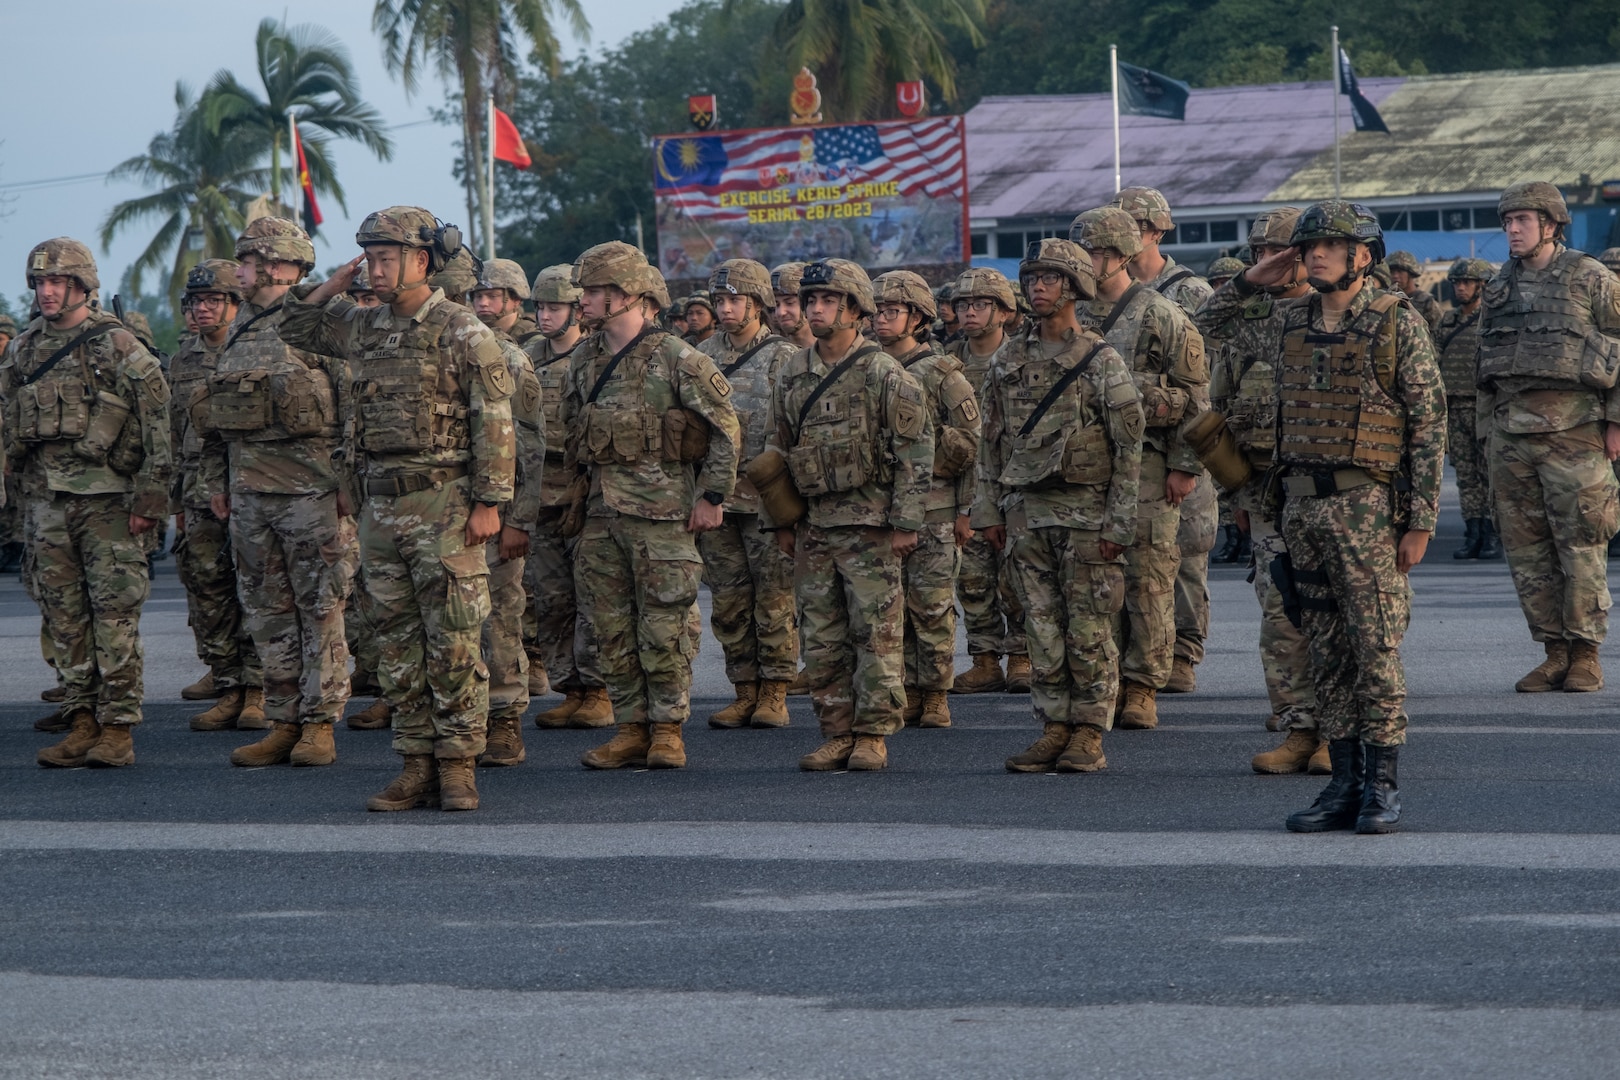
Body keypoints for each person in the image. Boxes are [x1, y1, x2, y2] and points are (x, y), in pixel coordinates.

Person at [279, 206, 515, 812]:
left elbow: (494, 421)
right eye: (370, 257)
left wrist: (490, 503)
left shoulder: (464, 331)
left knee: (455, 639)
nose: (375, 270)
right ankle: (415, 764)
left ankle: (459, 764)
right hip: (380, 508)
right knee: (396, 644)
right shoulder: (363, 327)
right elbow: (296, 329)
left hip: (445, 504)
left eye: (386, 257)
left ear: (422, 261)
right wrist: (334, 282)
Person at [1243, 200, 1444, 834]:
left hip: (1366, 508)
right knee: (1324, 652)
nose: (1315, 255)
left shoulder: (1395, 322)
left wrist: (1420, 521)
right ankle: (1343, 785)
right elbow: (1208, 322)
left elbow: (1427, 425)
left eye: (1330, 245)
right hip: (1301, 505)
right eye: (1309, 247)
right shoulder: (1285, 322)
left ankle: (1382, 786)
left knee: (1373, 647)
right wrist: (1255, 277)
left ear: (1364, 256)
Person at [559, 242, 741, 771]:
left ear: (625, 296)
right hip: (600, 515)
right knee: (610, 627)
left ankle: (667, 730)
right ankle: (630, 728)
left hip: (664, 515)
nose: (584, 301)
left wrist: (712, 496)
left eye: (593, 292)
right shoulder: (584, 358)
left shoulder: (678, 357)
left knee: (663, 625)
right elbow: (573, 434)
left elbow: (726, 430)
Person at [976, 239, 1144, 773]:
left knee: (1089, 627)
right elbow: (990, 443)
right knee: (1040, 627)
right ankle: (1053, 726)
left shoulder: (1101, 360)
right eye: (1031, 280)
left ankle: (1089, 732)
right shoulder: (1009, 358)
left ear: (1073, 287)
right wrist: (989, 511)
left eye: (1049, 279)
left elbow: (1128, 449)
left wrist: (1119, 522)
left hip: (1088, 516)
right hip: (1028, 515)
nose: (1037, 288)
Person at [5, 238, 171, 768]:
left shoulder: (116, 345)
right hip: (47, 505)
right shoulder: (24, 347)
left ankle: (117, 728)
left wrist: (151, 500)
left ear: (82, 286)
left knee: (114, 616)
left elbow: (158, 426)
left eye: (57, 282)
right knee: (65, 618)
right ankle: (81, 719)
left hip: (109, 505)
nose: (47, 291)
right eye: (40, 283)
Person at [197, 218, 354, 769]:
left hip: (311, 493)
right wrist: (219, 483)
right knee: (266, 611)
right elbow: (217, 418)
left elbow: (356, 408)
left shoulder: (324, 324)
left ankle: (319, 724)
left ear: (278, 266)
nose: (237, 270)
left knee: (320, 609)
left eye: (246, 261)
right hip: (251, 495)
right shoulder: (239, 332)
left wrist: (347, 489)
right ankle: (284, 719)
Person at [766, 259, 932, 771]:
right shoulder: (793, 371)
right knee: (820, 636)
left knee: (876, 633)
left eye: (826, 301)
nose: (813, 309)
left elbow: (915, 450)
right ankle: (836, 731)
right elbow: (778, 450)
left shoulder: (883, 372)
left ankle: (873, 733)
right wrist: (782, 523)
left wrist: (906, 523)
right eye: (809, 301)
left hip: (871, 525)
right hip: (815, 525)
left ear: (855, 310)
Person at [1195, 207, 1327, 774]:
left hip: (1333, 490)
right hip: (1266, 491)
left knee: (1338, 614)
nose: (1265, 263)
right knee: (1279, 615)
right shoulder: (1250, 316)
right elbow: (1203, 339)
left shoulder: (1348, 310)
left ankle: (1338, 733)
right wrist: (1234, 501)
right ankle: (1299, 727)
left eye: (1277, 253)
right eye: (1257, 255)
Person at [1478, 181, 1620, 694]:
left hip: (1575, 433)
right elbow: (1484, 366)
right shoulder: (1497, 286)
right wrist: (1486, 433)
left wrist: (1616, 424)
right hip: (1510, 436)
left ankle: (1586, 654)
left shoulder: (1591, 278)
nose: (1512, 230)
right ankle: (1553, 651)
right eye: (1507, 221)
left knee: (1581, 545)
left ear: (1552, 224)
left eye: (1522, 220)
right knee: (1527, 553)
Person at [1071, 206, 1208, 730]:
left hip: (1151, 464)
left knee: (1149, 576)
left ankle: (1143, 684)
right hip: (1091, 467)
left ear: (1124, 254)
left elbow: (1197, 396)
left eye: (1100, 252)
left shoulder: (1162, 314)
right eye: (1085, 251)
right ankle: (1099, 681)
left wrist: (1185, 464)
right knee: (1093, 580)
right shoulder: (1073, 315)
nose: (1092, 261)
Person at [1111, 186, 1218, 695]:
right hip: (1127, 453)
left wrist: (1189, 458)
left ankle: (1183, 652)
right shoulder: (1098, 292)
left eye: (1134, 224)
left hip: (1184, 438)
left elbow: (1208, 377)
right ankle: (1135, 655)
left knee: (1187, 551)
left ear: (1155, 231)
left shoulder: (1191, 293)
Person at [871, 271, 980, 729]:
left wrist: (965, 511)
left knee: (931, 605)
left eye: (890, 312)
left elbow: (975, 444)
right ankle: (904, 690)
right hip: (881, 509)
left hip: (935, 509)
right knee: (886, 609)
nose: (880, 319)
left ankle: (935, 693)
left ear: (917, 318)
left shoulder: (941, 373)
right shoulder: (868, 368)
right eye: (876, 311)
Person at [695, 259, 801, 729]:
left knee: (774, 597)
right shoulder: (700, 354)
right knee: (730, 599)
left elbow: (794, 426)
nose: (726, 308)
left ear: (758, 304)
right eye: (719, 301)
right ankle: (743, 690)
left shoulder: (785, 357)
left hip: (765, 497)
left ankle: (775, 691)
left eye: (735, 300)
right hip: (717, 496)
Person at [166, 259, 266, 732]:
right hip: (197, 491)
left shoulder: (252, 349)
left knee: (256, 587)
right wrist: (176, 504)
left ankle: (259, 690)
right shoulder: (183, 359)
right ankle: (228, 684)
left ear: (235, 303)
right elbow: (173, 432)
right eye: (196, 301)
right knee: (208, 586)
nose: (203, 308)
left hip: (248, 483)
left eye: (213, 300)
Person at [464, 257, 548, 767]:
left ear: (517, 303)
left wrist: (519, 518)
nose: (483, 304)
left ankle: (504, 722)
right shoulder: (458, 349)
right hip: (456, 509)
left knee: (500, 619)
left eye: (494, 297)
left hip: (501, 513)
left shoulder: (514, 360)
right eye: (478, 296)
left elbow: (531, 445)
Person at [523, 264, 612, 729]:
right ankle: (569, 687)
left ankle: (598, 689)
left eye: (554, 307)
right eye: (539, 307)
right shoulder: (523, 356)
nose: (544, 315)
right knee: (550, 597)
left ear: (577, 310)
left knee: (591, 596)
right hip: (538, 493)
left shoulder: (596, 356)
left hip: (582, 490)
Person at [945, 267, 1030, 695]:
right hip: (965, 488)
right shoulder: (945, 363)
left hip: (1014, 483)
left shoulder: (1023, 357)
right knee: (973, 578)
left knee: (1018, 575)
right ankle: (983, 659)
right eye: (962, 305)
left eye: (981, 304)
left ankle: (1021, 656)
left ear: (1004, 311)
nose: (970, 312)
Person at [1434, 258, 1500, 560]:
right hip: (1454, 407)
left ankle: (1491, 535)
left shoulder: (1493, 318)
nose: (1460, 287)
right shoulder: (1446, 321)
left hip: (1484, 406)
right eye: (1457, 283)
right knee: (1465, 476)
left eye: (1467, 283)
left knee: (1489, 474)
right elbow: (1432, 359)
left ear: (1482, 285)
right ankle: (1472, 532)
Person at [1386, 250, 1443, 332]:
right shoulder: (1387, 300)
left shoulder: (1427, 302)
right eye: (1392, 272)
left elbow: (1438, 334)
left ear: (1411, 273)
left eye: (1400, 271)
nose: (1395, 276)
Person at [769, 262, 816, 350]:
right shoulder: (773, 352)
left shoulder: (831, 350)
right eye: (776, 304)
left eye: (789, 303)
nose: (780, 312)